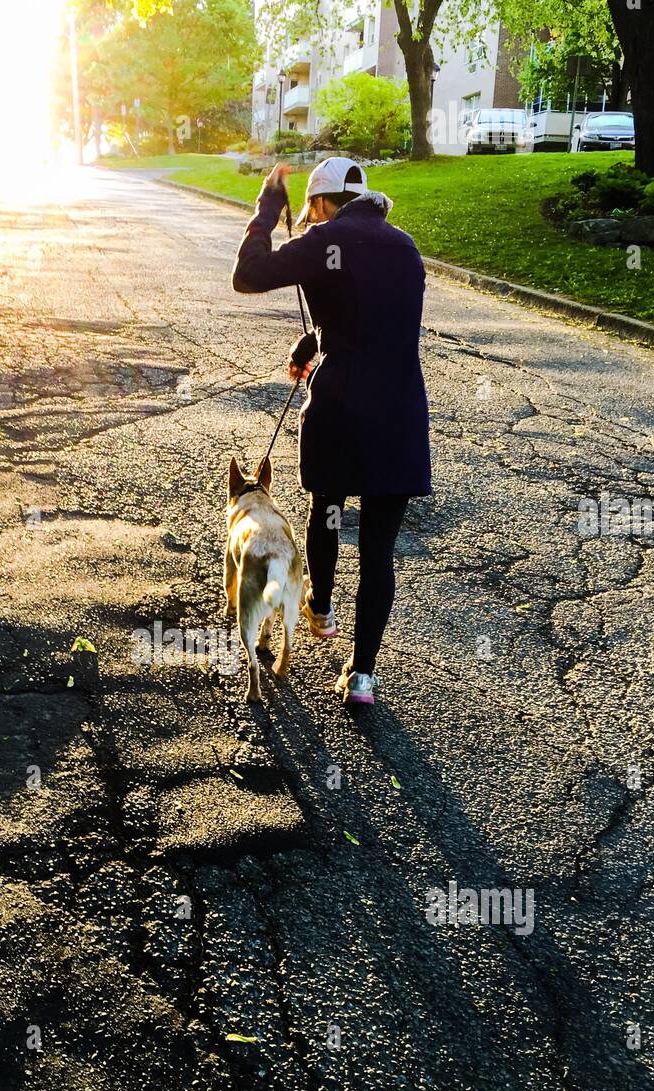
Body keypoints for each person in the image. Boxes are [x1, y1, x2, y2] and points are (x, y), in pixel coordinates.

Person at [231, 157, 431, 705]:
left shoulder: (324, 240)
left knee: (326, 507)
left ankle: (320, 606)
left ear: (319, 203)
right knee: (379, 554)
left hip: (342, 410)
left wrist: (268, 205)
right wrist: (312, 342)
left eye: (310, 212)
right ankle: (362, 675)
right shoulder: (405, 246)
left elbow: (247, 274)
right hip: (399, 415)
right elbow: (369, 319)